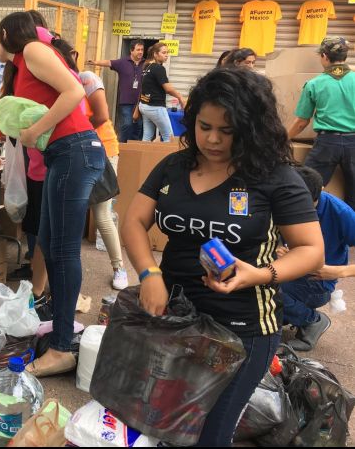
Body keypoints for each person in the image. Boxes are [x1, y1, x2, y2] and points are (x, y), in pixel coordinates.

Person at [122, 67, 324, 447]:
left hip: (242, 329)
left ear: (250, 128)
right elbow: (133, 219)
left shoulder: (274, 177)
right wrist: (149, 273)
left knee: (209, 433)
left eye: (227, 131)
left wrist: (261, 274)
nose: (212, 139)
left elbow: (311, 251)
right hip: (175, 316)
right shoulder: (174, 166)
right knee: (165, 418)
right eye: (204, 126)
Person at [0, 12, 103, 377]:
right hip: (62, 155)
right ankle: (59, 327)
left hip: (74, 151)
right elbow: (4, 109)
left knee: (63, 250)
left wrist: (34, 130)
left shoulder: (34, 50)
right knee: (50, 247)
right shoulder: (22, 65)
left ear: (6, 33)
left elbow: (73, 93)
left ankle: (61, 347)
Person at [52, 38, 129, 290]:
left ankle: (119, 268)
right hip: (74, 154)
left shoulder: (86, 79)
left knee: (102, 214)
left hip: (103, 151)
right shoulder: (55, 84)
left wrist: (78, 134)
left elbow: (102, 116)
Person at [278, 166, 355, 351]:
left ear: (320, 192)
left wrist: (341, 271)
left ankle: (313, 320)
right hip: (289, 268)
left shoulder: (341, 213)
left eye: (304, 205)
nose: (297, 212)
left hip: (316, 282)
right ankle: (284, 316)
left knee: (269, 292)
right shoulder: (280, 199)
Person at [288, 36, 355, 212]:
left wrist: (283, 138)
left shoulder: (314, 84)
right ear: (345, 56)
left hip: (327, 144)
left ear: (324, 56)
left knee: (307, 187)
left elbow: (302, 122)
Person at [89, 39, 145, 142]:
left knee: (138, 126)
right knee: (127, 124)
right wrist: (96, 62)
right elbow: (109, 62)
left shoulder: (145, 64)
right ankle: (121, 145)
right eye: (138, 49)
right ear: (131, 51)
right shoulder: (123, 62)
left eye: (142, 49)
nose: (140, 52)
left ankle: (134, 148)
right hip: (126, 101)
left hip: (140, 102)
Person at [139, 42, 186, 143]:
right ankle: (167, 158)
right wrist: (180, 97)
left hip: (144, 106)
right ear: (155, 54)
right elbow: (168, 89)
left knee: (147, 136)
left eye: (167, 53)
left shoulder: (147, 67)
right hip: (155, 107)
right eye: (163, 53)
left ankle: (142, 157)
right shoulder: (158, 68)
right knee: (169, 137)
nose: (166, 55)